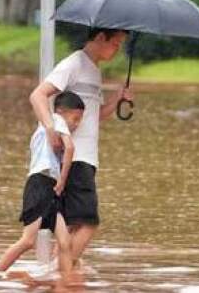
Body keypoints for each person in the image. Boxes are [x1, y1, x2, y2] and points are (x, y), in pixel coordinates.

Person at [29, 28, 132, 267]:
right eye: (115, 43)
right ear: (99, 38)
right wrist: (50, 128)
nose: (117, 49)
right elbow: (38, 95)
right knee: (88, 222)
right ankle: (60, 273)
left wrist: (118, 99)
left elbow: (94, 117)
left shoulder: (94, 71)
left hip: (87, 158)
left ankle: (60, 274)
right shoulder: (74, 64)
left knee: (75, 224)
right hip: (75, 158)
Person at [0, 91, 85, 275]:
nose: (76, 125)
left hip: (49, 185)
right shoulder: (56, 119)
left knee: (65, 242)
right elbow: (70, 148)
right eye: (75, 118)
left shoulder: (47, 128)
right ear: (61, 111)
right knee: (28, 240)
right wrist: (62, 180)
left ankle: (65, 283)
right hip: (41, 183)